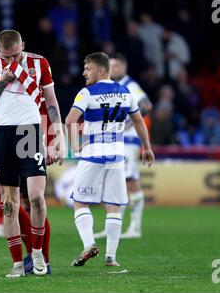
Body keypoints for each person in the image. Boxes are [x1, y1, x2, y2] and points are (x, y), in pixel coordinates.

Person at [0, 30, 65, 277]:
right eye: (6, 56)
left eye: (15, 55)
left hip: (31, 134)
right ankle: (18, 263)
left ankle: (38, 255)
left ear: (23, 46)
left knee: (37, 198)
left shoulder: (40, 63)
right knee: (9, 204)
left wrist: (58, 136)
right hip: (5, 136)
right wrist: (3, 79)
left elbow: (51, 102)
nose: (11, 60)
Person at [65, 52, 154, 267]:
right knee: (113, 204)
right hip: (116, 154)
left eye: (88, 68)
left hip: (93, 152)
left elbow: (69, 121)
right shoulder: (125, 92)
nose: (84, 72)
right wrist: (147, 148)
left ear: (101, 70)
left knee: (80, 201)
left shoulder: (87, 93)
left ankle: (89, 244)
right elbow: (140, 122)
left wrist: (76, 147)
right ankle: (111, 257)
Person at [0, 100, 53, 275]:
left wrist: (49, 141)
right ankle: (31, 256)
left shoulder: (31, 79)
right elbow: (2, 116)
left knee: (33, 200)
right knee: (15, 202)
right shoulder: (1, 84)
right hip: (6, 140)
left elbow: (46, 108)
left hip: (32, 137)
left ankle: (42, 257)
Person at [94, 53, 152, 240]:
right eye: (111, 66)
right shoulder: (114, 87)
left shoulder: (130, 85)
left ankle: (135, 227)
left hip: (128, 141)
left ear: (124, 67)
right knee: (110, 182)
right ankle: (111, 227)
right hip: (113, 141)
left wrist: (131, 122)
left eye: (117, 66)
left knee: (130, 181)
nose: (113, 69)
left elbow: (146, 104)